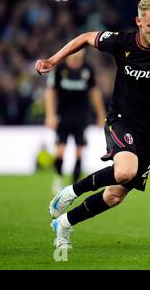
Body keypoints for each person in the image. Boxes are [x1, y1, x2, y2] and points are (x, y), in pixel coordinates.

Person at [35, 0, 150, 249]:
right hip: (121, 119)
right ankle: (69, 193)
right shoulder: (122, 41)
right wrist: (54, 60)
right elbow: (87, 37)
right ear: (138, 22)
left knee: (114, 195)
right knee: (124, 172)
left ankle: (64, 224)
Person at [45, 49, 106, 194]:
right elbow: (50, 92)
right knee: (60, 150)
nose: (75, 61)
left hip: (81, 116)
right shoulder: (60, 69)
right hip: (63, 116)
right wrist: (50, 114)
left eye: (78, 58)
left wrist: (100, 113)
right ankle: (58, 177)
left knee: (79, 151)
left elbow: (94, 92)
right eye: (73, 58)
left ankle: (73, 186)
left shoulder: (87, 69)